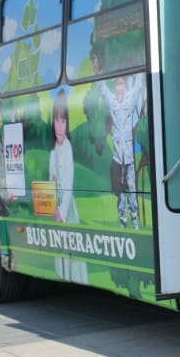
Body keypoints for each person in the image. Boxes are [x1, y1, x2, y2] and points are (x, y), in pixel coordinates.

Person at [97, 74, 147, 228]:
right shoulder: (112, 103)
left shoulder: (129, 101)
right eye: (117, 84)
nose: (119, 87)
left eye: (121, 84)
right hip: (118, 160)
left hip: (130, 160)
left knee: (132, 191)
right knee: (121, 193)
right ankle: (123, 221)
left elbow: (138, 86)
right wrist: (99, 75)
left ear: (125, 87)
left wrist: (140, 71)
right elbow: (103, 89)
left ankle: (135, 221)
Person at [49, 88, 88, 284]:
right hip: (56, 206)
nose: (60, 127)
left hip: (66, 209)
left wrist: (61, 212)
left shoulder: (68, 148)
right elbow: (52, 180)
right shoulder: (53, 151)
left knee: (70, 248)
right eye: (57, 120)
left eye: (63, 121)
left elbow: (69, 184)